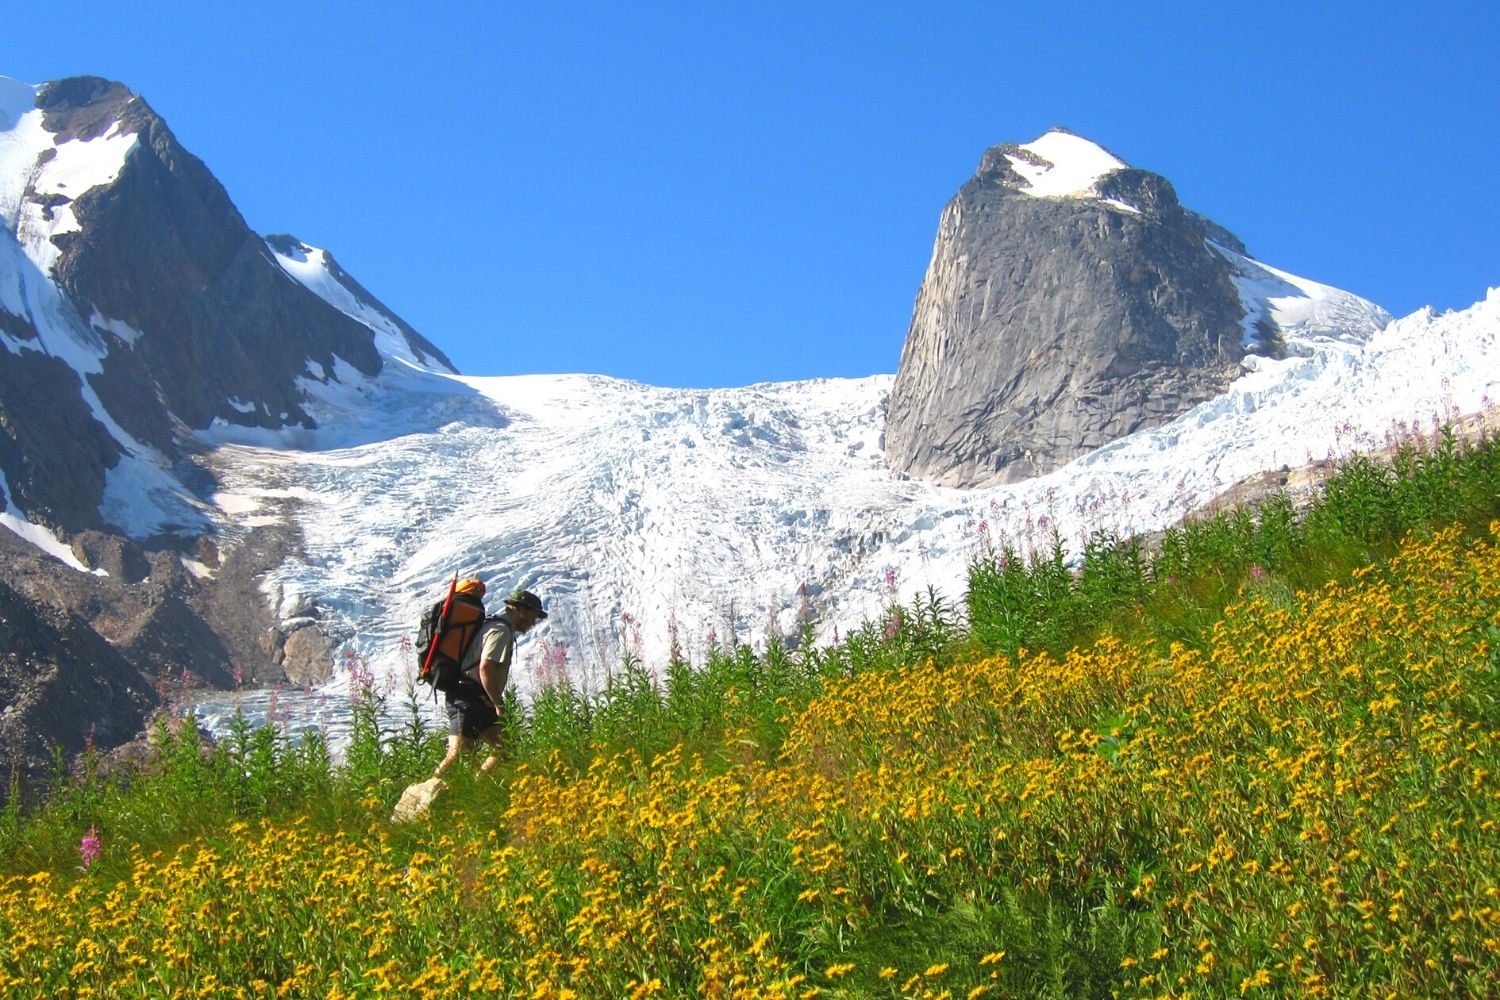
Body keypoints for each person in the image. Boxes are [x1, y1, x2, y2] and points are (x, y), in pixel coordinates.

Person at [434, 588, 548, 777]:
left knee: (505, 749)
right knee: (457, 755)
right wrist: (498, 703)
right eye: (532, 616)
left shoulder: (494, 626)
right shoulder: (500, 631)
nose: (533, 622)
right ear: (520, 610)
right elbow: (486, 668)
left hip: (479, 700)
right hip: (468, 699)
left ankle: (479, 787)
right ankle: (425, 797)